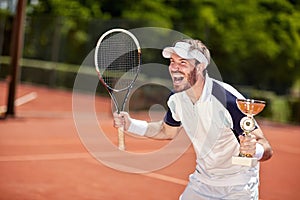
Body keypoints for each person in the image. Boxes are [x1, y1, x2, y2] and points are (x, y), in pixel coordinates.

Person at [113, 39, 273, 199]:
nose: (174, 68)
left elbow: (266, 147)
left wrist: (255, 150)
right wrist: (131, 124)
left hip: (238, 187)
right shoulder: (176, 99)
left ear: (200, 66)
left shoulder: (227, 100)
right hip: (202, 183)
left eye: (183, 62)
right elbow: (166, 131)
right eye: (172, 61)